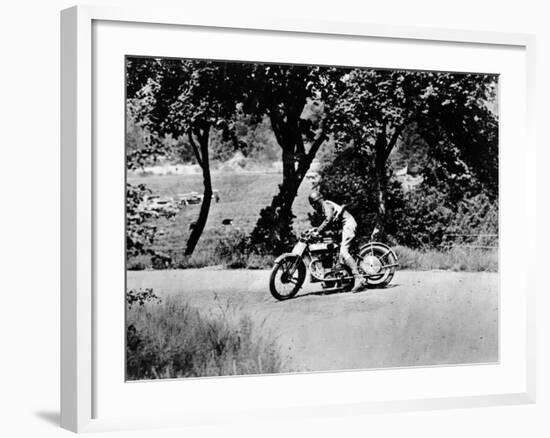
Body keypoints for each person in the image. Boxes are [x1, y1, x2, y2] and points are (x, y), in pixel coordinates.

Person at [308, 191, 366, 292]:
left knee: (343, 252)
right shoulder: (324, 207)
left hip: (348, 224)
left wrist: (318, 230)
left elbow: (328, 219)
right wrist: (315, 230)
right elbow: (327, 223)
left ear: (316, 202)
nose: (314, 207)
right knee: (335, 251)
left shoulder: (326, 205)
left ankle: (359, 277)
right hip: (344, 226)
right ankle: (340, 279)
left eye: (313, 204)